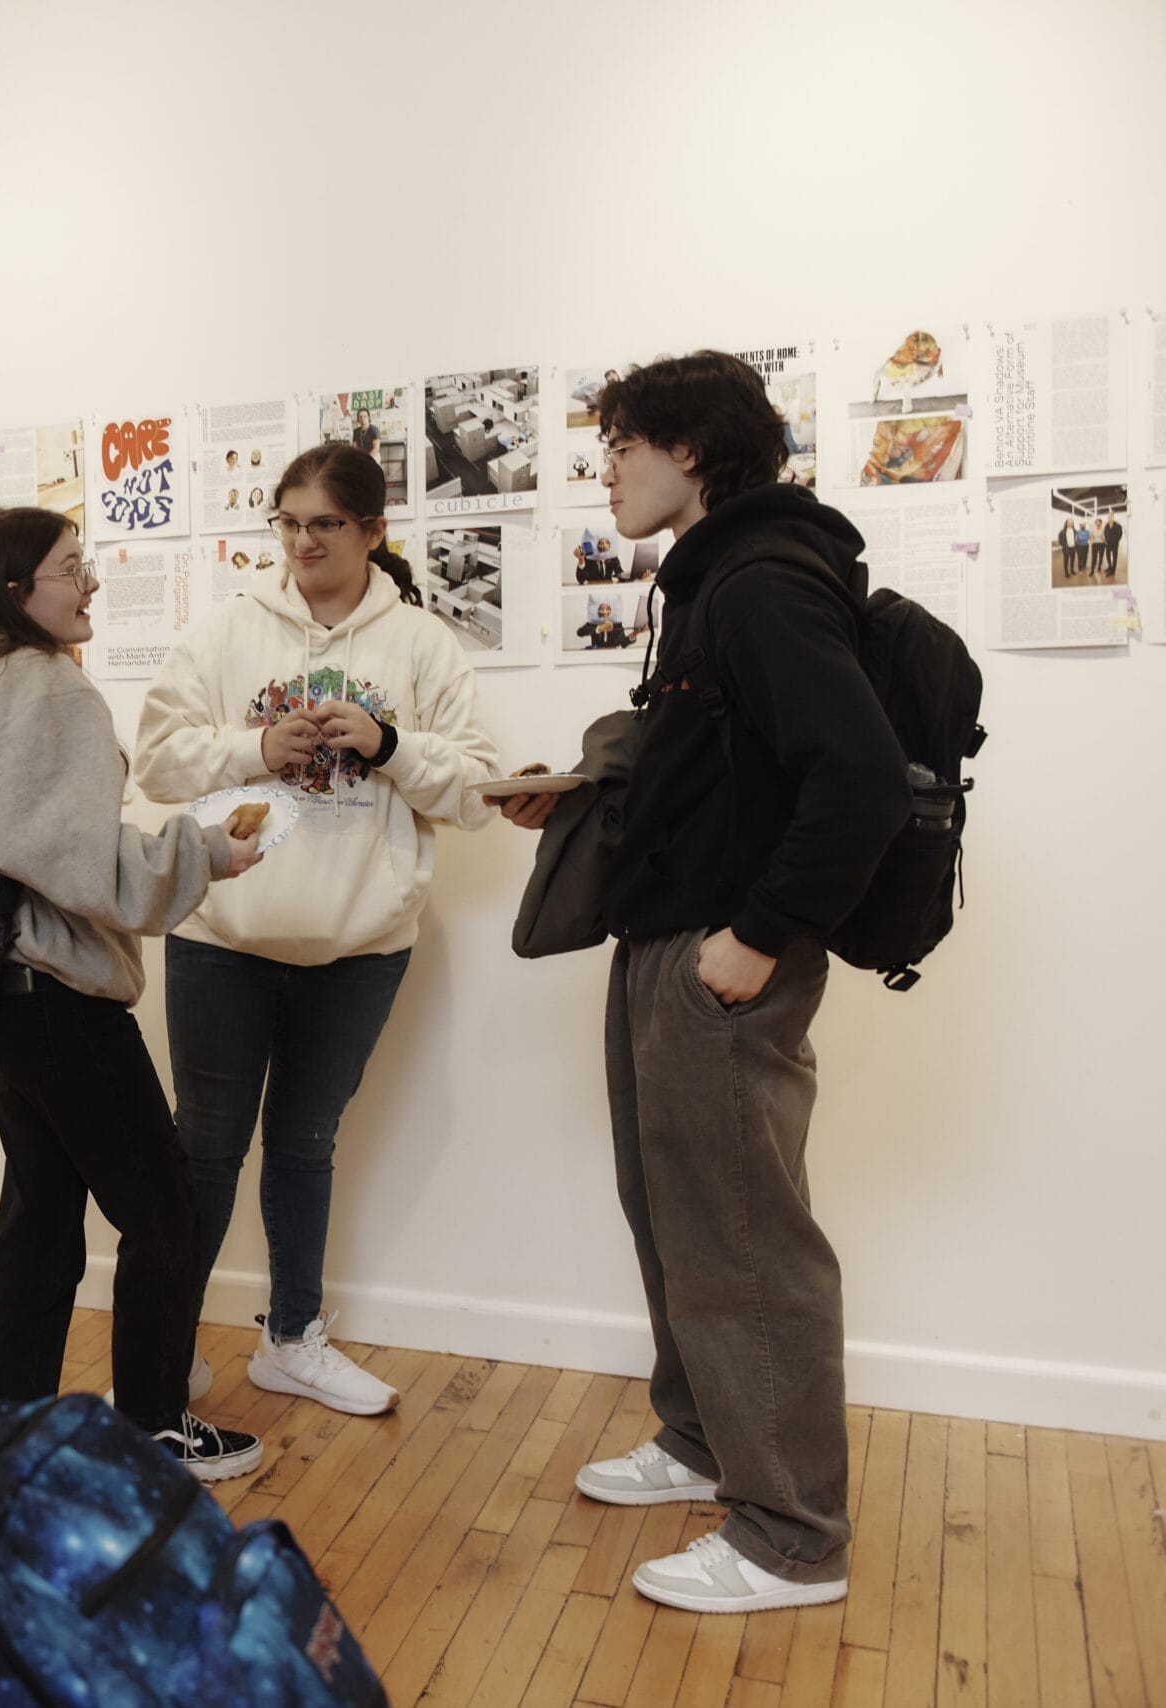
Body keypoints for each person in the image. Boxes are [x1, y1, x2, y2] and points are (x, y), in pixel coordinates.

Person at [499, 351, 906, 1616]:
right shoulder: (711, 577)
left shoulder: (760, 576)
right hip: (665, 940)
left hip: (720, 956)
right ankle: (702, 1441)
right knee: (672, 1211)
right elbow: (722, 766)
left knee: (743, 1240)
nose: (606, 469)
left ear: (694, 450)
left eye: (623, 444)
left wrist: (762, 933)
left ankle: (791, 1537)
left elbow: (859, 773)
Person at [0, 505, 268, 1481]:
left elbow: (29, 844)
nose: (89, 582)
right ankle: (151, 1426)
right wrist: (204, 850)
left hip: (6, 994)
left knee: (42, 1226)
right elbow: (63, 852)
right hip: (56, 991)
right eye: (70, 568)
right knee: (164, 1208)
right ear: (18, 591)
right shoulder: (46, 687)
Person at [132, 442, 500, 1419]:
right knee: (203, 1150)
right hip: (219, 934)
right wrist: (248, 747)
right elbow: (158, 763)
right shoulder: (222, 632)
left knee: (304, 1143)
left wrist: (386, 746)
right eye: (287, 521)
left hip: (358, 946)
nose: (302, 541)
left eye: (325, 523)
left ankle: (291, 1337)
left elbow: (476, 791)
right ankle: (159, 1354)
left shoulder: (419, 644)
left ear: (374, 532)